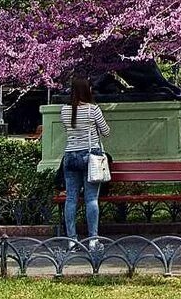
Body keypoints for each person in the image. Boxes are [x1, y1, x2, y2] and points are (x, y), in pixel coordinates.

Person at [60, 76, 110, 246]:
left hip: (70, 156)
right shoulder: (93, 110)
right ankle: (93, 239)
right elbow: (106, 131)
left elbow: (67, 128)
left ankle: (71, 240)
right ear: (87, 90)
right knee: (91, 199)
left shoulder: (64, 110)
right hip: (90, 157)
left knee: (71, 199)